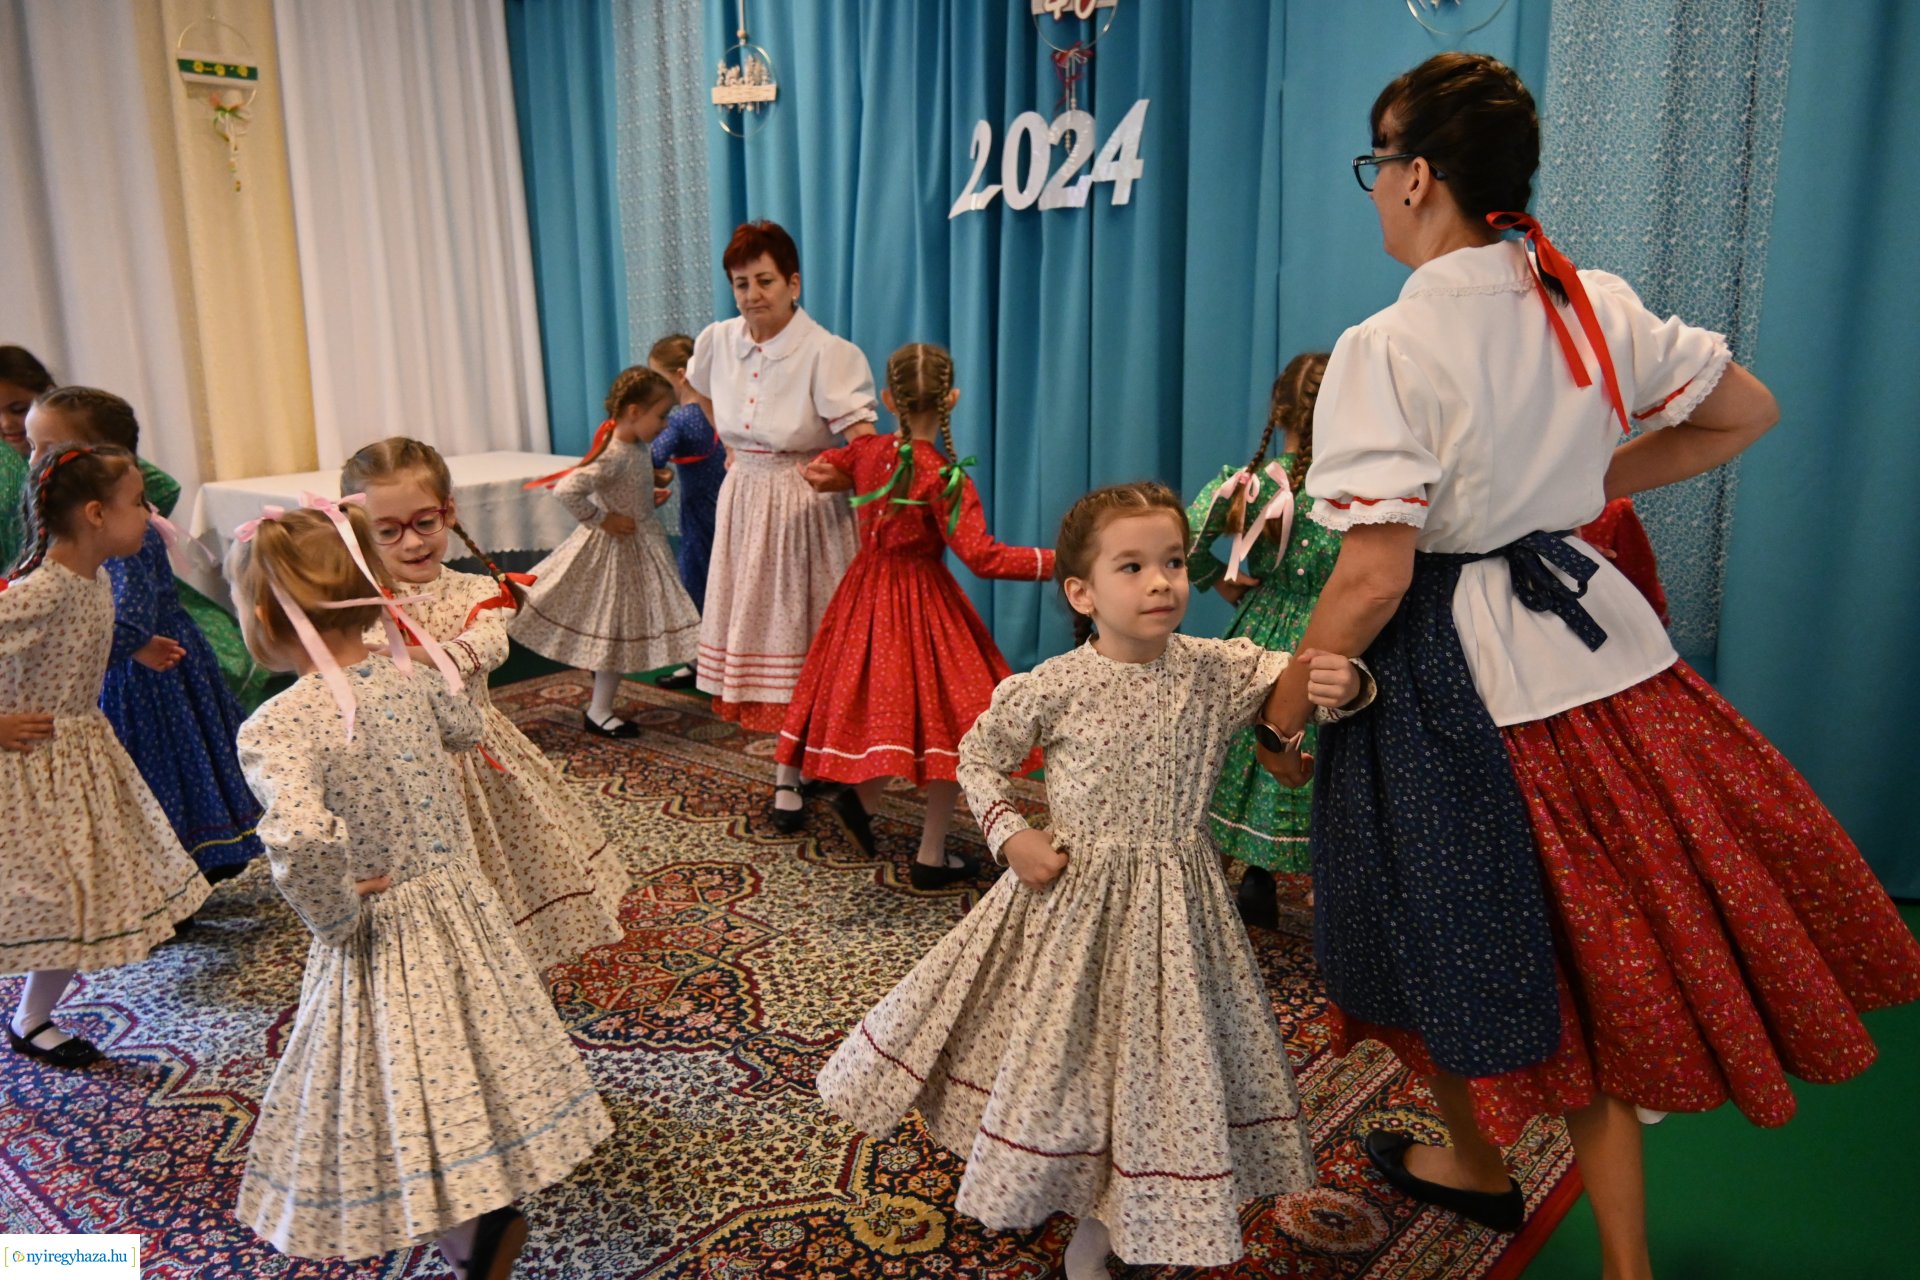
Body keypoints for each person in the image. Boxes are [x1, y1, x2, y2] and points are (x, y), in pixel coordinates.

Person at [1254, 52, 1920, 1280]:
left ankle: (1483, 1165)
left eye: (1375, 166)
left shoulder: (1385, 344)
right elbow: (1745, 411)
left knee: (1428, 930)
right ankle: (1621, 1258)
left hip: (1450, 679)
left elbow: (1374, 575)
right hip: (1597, 651)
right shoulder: (1586, 298)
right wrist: (1561, 493)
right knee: (1590, 953)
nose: (1373, 191)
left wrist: (1282, 710)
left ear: (1415, 179)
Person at [820, 481, 1371, 1276]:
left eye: (1175, 562)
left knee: (1157, 1065)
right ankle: (1061, 1184)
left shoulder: (1217, 670)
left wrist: (1345, 685)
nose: (1161, 582)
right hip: (1069, 905)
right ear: (1082, 592)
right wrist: (1012, 837)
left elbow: (1305, 673)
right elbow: (978, 756)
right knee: (1063, 1059)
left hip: (1180, 913)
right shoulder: (1054, 685)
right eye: (1133, 566)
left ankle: (1114, 1219)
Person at [229, 498, 611, 1278]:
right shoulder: (408, 678)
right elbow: (467, 729)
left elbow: (300, 841)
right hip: (459, 900)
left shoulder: (277, 725)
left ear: (267, 615)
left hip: (382, 919)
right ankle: (482, 1205)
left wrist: (335, 917)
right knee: (470, 1043)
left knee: (400, 1070)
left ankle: (465, 1230)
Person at [344, 436, 629, 971]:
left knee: (494, 872)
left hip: (473, 766)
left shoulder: (476, 592)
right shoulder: (356, 603)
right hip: (393, 779)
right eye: (388, 531)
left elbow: (482, 649)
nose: (411, 543)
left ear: (448, 512)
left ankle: (506, 970)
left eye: (424, 522)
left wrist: (386, 655)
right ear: (360, 533)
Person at [779, 343, 1054, 888]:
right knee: (958, 726)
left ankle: (862, 798)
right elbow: (983, 556)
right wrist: (1055, 561)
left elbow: (821, 467)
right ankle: (929, 854)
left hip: (864, 595)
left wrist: (837, 475)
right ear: (951, 399)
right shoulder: (944, 477)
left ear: (886, 399)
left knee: (903, 714)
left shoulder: (867, 453)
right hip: (924, 602)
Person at [0, 444, 209, 1066]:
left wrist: (134, 649)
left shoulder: (96, 583)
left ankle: (32, 1018)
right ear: (95, 513)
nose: (149, 513)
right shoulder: (35, 594)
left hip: (80, 760)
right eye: (137, 503)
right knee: (43, 892)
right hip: (27, 770)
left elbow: (75, 649)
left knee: (82, 895)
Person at [25, 387, 264, 883]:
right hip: (138, 664)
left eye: (48, 449)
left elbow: (129, 614)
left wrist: (120, 644)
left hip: (146, 681)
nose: (35, 461)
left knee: (166, 769)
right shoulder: (86, 542)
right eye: (33, 447)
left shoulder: (122, 537)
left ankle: (182, 870)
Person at [687, 220, 878, 831]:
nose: (751, 294)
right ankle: (786, 776)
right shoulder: (718, 340)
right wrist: (736, 449)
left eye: (764, 280)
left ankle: (818, 760)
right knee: (763, 634)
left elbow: (865, 447)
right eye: (741, 283)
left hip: (804, 512)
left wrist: (837, 474)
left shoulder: (828, 352)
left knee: (803, 634)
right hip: (744, 499)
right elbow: (697, 392)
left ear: (793, 282)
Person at [1185, 352, 1340, 926]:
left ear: (1279, 413)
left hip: (1256, 633)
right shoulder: (1350, 495)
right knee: (1317, 752)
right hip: (1329, 637)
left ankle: (1253, 877)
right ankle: (1328, 886)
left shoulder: (1253, 488)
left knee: (1243, 752)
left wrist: (1223, 585)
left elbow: (1188, 537)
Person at [512, 367, 701, 737]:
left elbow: (628, 487)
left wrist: (648, 496)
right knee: (615, 631)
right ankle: (599, 711)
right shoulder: (615, 453)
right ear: (634, 412)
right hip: (618, 552)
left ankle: (606, 704)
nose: (665, 425)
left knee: (640, 623)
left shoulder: (636, 447)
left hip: (640, 545)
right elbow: (567, 489)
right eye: (661, 416)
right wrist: (603, 519)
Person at [0, 345, 55, 568]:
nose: (6, 423)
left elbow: (163, 488)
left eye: (18, 409)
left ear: (48, 395)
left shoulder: (80, 447)